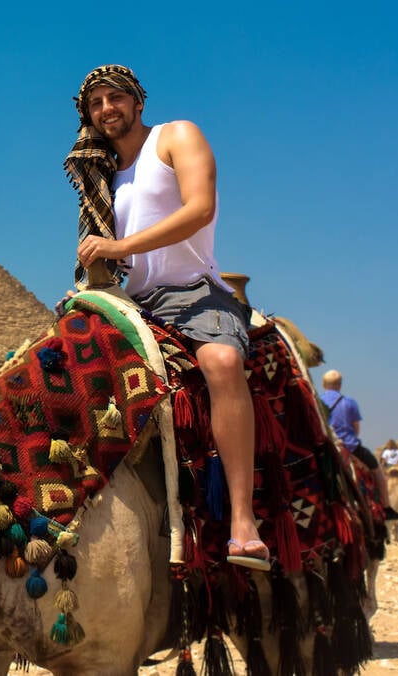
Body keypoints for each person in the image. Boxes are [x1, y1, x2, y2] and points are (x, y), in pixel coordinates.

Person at [65, 64, 267, 570]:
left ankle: (243, 522)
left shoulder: (176, 136)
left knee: (221, 362)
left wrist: (121, 245)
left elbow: (200, 209)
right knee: (57, 371)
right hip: (133, 303)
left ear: (138, 101)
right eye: (96, 103)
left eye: (116, 98)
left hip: (195, 293)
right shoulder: (102, 174)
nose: (107, 109)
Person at [319, 370, 398, 520]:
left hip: (324, 448)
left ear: (323, 384)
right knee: (377, 471)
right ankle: (387, 507)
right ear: (340, 385)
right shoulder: (349, 403)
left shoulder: (316, 402)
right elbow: (356, 429)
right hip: (350, 447)